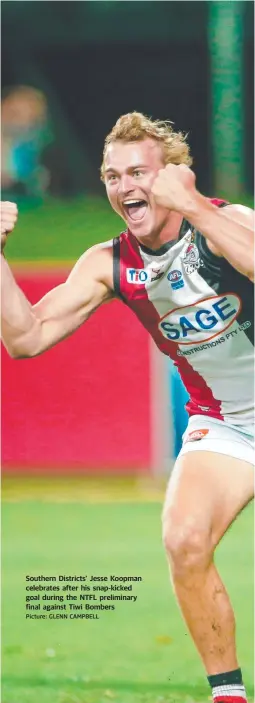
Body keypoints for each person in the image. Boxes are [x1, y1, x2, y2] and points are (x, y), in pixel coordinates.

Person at [1, 112, 254, 703]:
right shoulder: (110, 261)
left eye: (137, 172)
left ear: (172, 176)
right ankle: (228, 695)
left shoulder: (222, 222)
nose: (123, 187)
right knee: (184, 540)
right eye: (112, 176)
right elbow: (25, 338)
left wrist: (194, 207)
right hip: (227, 424)